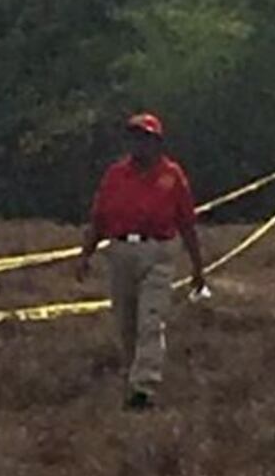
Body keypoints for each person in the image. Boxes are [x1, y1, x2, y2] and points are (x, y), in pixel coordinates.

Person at [75, 113, 206, 410]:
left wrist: (198, 267)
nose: (139, 144)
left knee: (151, 320)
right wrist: (86, 255)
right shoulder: (115, 175)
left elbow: (187, 223)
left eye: (145, 138)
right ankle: (133, 376)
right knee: (126, 324)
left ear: (157, 142)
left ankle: (143, 388)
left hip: (157, 253)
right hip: (120, 252)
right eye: (134, 137)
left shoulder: (172, 176)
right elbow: (98, 219)